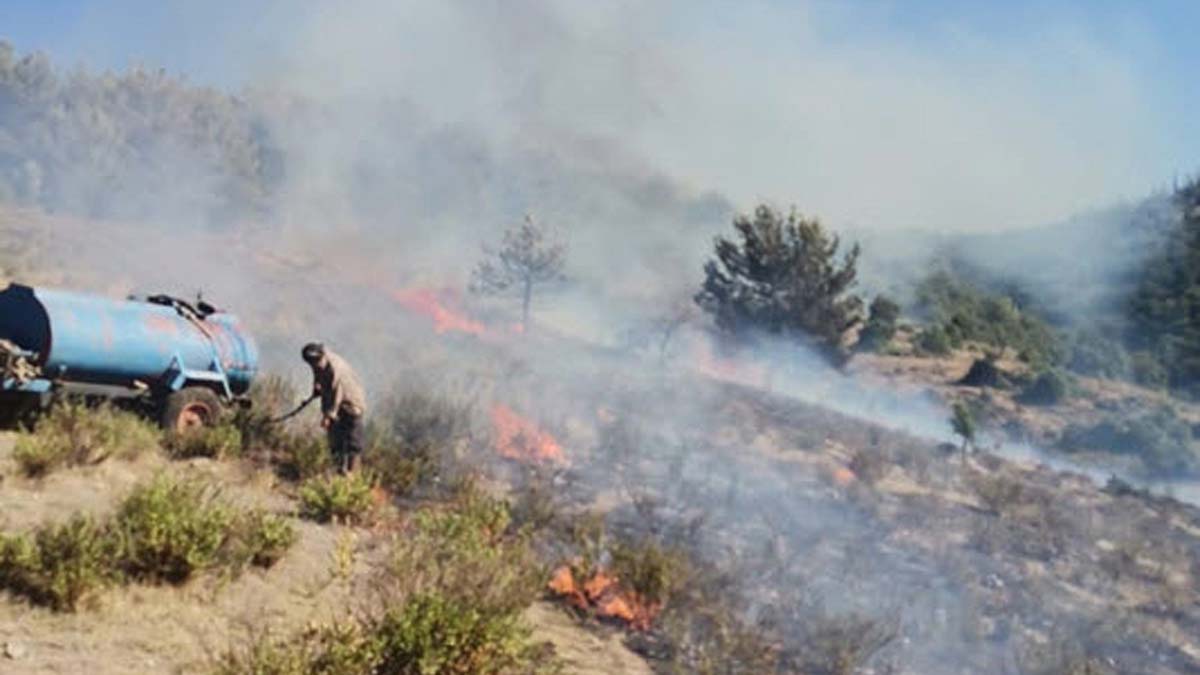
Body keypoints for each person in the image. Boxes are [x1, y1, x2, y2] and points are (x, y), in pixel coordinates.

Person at [301, 342, 367, 474]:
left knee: (353, 442)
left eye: (316, 362)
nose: (314, 365)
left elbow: (338, 393)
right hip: (332, 402)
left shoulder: (335, 368)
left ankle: (352, 475)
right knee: (336, 441)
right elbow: (317, 373)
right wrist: (316, 387)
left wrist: (329, 416)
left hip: (351, 404)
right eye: (311, 363)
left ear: (322, 356)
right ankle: (338, 471)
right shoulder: (318, 362)